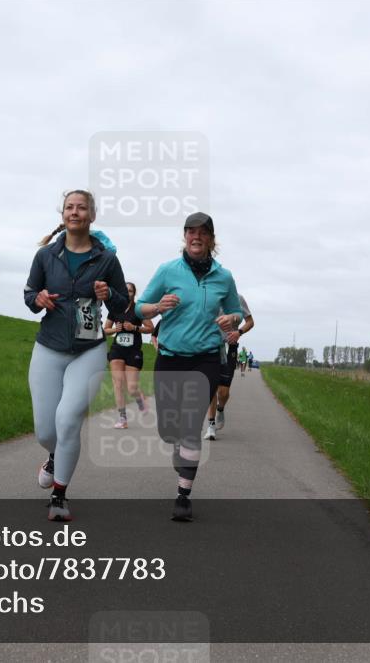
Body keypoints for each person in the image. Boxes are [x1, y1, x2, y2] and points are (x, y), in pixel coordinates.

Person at [25, 189, 128, 522]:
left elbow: (121, 306)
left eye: (81, 208)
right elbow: (29, 293)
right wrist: (37, 298)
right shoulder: (45, 256)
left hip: (89, 350)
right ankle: (53, 456)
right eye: (69, 207)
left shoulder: (107, 259)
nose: (75, 212)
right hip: (49, 347)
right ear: (62, 215)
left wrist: (108, 293)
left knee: (68, 420)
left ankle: (59, 495)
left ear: (92, 216)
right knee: (45, 430)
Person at [136, 212, 243, 522]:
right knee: (170, 429)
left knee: (191, 425)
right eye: (190, 232)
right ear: (184, 236)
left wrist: (231, 319)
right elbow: (140, 306)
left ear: (211, 238)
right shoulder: (167, 270)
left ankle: (183, 495)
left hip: (206, 357)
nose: (196, 237)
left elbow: (235, 311)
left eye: (203, 232)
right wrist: (157, 307)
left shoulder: (224, 277)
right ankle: (177, 445)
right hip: (170, 357)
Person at [203, 294, 254, 440]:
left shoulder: (238, 298)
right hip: (210, 346)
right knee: (211, 387)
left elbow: (250, 322)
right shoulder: (208, 296)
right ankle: (211, 426)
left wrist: (239, 332)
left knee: (223, 392)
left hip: (229, 346)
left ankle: (221, 408)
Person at [104, 281, 153, 429]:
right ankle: (122, 418)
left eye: (131, 291)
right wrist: (115, 329)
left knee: (131, 388)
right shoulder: (114, 308)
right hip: (117, 349)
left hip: (133, 351)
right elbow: (105, 329)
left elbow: (150, 327)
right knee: (118, 384)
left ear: (133, 293)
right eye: (125, 291)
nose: (128, 293)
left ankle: (140, 401)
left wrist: (135, 328)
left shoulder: (138, 309)